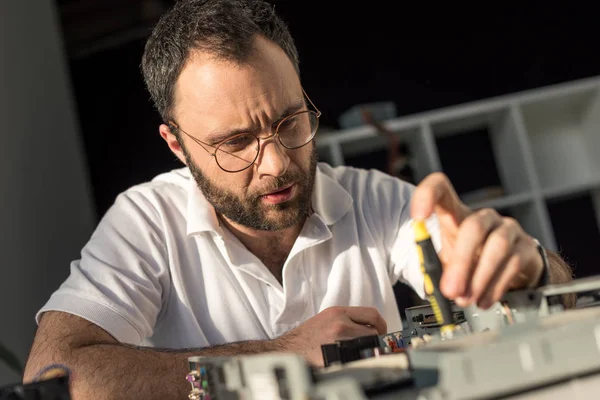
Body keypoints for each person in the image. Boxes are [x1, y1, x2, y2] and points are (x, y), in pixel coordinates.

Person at [23, 0, 574, 398]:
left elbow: (538, 293)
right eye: (235, 142)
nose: (278, 162)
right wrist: (279, 355)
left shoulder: (374, 200)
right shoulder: (145, 222)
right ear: (177, 145)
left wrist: (532, 272)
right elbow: (55, 376)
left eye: (289, 122)